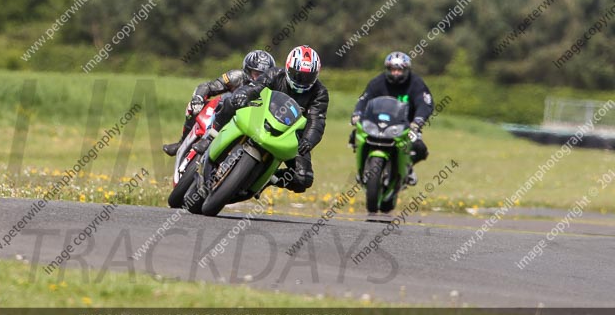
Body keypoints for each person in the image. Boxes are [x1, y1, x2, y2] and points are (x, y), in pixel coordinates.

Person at [193, 45, 328, 193]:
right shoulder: (275, 74)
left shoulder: (319, 93)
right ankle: (210, 137)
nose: (302, 80)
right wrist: (244, 94)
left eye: (307, 77)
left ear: (316, 74)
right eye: (298, 75)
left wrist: (308, 140)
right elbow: (256, 87)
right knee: (231, 101)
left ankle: (269, 178)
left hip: (291, 136)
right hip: (261, 117)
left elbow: (317, 120)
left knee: (304, 179)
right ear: (288, 68)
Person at [162, 50, 276, 156]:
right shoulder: (236, 76)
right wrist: (198, 98)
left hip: (250, 125)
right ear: (247, 70)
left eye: (263, 75)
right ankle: (182, 143)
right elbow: (209, 86)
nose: (259, 78)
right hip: (223, 113)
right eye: (256, 73)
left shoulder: (272, 90)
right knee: (193, 106)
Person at [350, 51, 433, 185]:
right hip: (377, 124)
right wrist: (357, 114)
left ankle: (408, 168)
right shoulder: (377, 82)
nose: (395, 73)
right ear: (387, 69)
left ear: (407, 70)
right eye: (392, 69)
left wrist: (418, 121)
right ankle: (363, 168)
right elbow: (364, 99)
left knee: (419, 148)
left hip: (406, 126)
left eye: (399, 70)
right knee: (355, 136)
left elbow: (425, 104)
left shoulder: (416, 84)